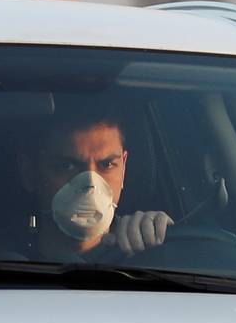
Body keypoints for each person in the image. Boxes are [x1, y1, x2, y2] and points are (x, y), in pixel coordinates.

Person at [17, 106, 173, 261]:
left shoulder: (151, 251)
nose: (90, 184)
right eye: (66, 166)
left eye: (107, 165)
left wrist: (162, 239)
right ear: (29, 173)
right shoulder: (5, 263)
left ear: (123, 168)